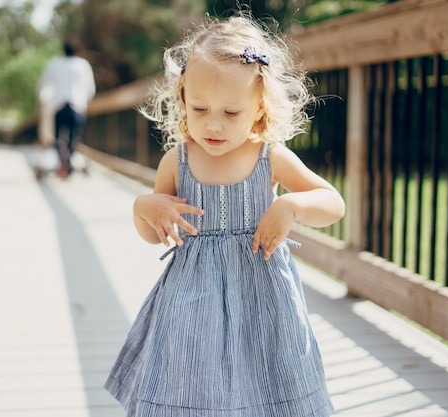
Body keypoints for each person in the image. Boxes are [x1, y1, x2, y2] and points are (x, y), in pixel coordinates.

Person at [105, 12, 345, 417]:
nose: (212, 124)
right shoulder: (175, 162)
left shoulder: (271, 158)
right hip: (190, 299)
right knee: (190, 379)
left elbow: (332, 203)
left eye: (231, 113)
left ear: (259, 108)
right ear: (183, 99)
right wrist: (144, 207)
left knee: (267, 379)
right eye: (199, 108)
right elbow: (152, 236)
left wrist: (290, 205)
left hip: (263, 298)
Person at [37, 40, 96, 179]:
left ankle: (62, 163)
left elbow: (43, 85)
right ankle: (68, 163)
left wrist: (43, 101)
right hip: (77, 106)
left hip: (59, 105)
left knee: (58, 138)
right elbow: (90, 89)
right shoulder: (83, 65)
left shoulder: (54, 63)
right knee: (74, 138)